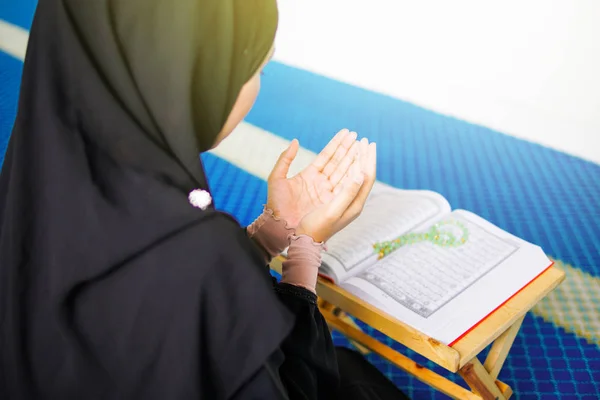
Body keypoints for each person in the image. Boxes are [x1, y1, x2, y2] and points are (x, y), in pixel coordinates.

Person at [0, 0, 409, 398]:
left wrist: (268, 234)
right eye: (256, 68)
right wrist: (304, 251)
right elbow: (285, 381)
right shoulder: (198, 255)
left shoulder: (33, 178)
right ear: (194, 71)